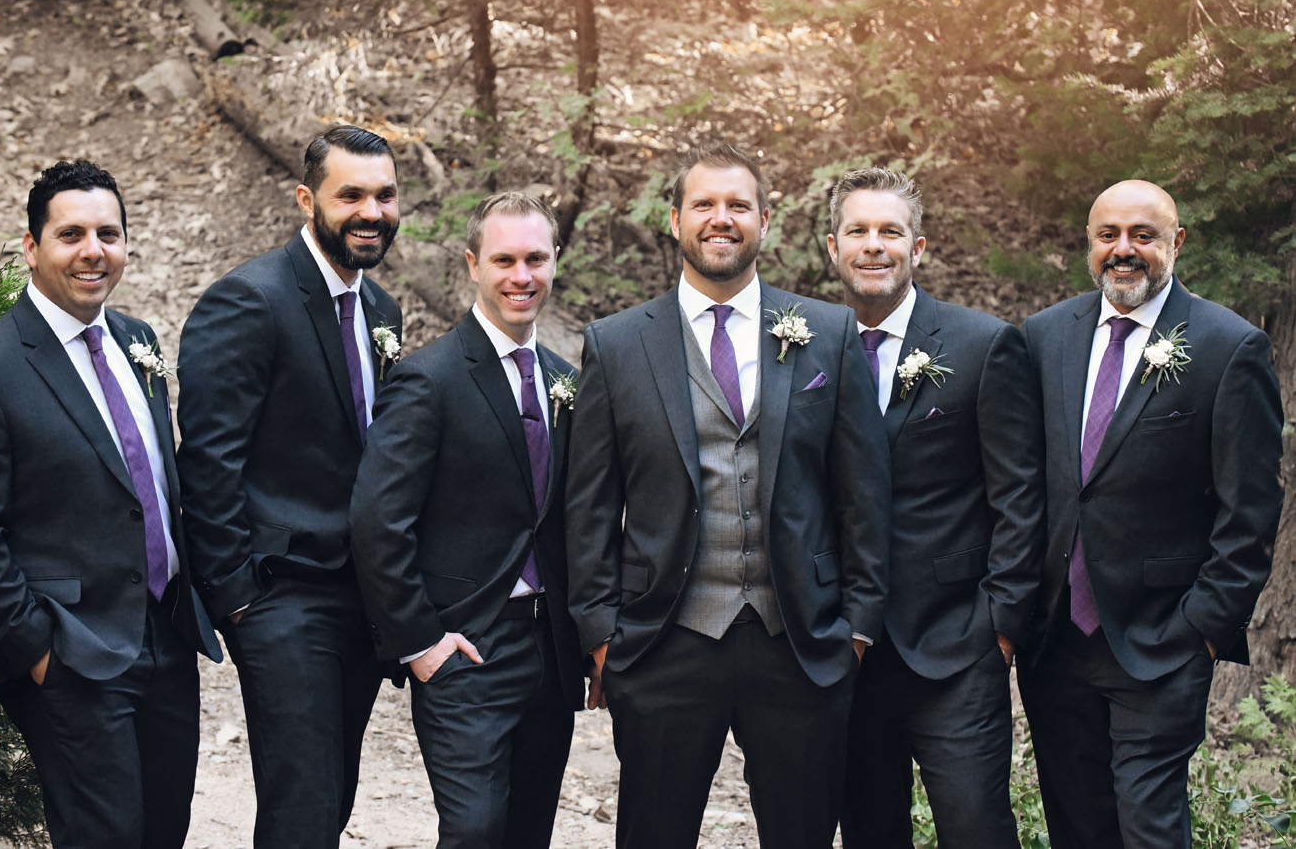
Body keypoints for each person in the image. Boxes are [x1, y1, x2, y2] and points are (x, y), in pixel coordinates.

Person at [566, 143, 891, 849]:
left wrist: (858, 628)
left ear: (764, 221)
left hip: (800, 643)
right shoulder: (616, 344)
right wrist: (601, 636)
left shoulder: (827, 332)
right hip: (663, 642)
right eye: (704, 205)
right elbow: (588, 504)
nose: (721, 218)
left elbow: (862, 492)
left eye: (738, 205)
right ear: (675, 219)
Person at [1018, 179, 1283, 848]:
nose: (1123, 250)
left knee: (1148, 828)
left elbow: (1249, 513)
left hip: (1161, 640)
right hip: (1055, 641)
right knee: (1077, 826)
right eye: (1107, 234)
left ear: (1176, 242)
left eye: (1143, 235)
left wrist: (1200, 631)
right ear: (1089, 242)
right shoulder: (1043, 337)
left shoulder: (1228, 346)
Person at [176, 125, 403, 848]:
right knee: (302, 803)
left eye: (385, 195)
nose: (371, 212)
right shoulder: (248, 301)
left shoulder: (382, 311)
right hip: (280, 596)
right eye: (351, 195)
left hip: (361, 597)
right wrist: (238, 598)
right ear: (307, 199)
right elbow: (208, 460)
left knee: (332, 796)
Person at [0, 160, 221, 848]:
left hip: (165, 635)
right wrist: (36, 648)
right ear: (32, 248)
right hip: (71, 648)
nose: (93, 250)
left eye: (108, 234)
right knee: (105, 836)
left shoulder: (137, 340)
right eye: (71, 235)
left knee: (165, 830)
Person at [350, 191, 582, 849]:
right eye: (504, 260)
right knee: (474, 831)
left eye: (535, 259)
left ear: (555, 261)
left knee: (529, 833)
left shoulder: (567, 382)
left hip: (550, 652)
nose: (521, 276)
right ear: (473, 264)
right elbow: (377, 521)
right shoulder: (429, 379)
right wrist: (422, 643)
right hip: (468, 648)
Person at [826, 168, 1044, 848]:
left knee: (976, 827)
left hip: (956, 644)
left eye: (890, 231)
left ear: (917, 248)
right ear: (833, 247)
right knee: (869, 830)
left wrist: (1000, 621)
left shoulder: (982, 345)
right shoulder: (801, 346)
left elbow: (1018, 494)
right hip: (843, 648)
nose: (873, 244)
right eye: (858, 231)